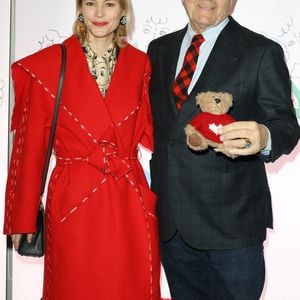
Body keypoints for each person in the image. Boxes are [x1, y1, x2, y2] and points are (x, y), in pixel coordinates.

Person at [4, 0, 160, 299]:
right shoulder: (47, 65)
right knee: (74, 286)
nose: (99, 13)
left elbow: (157, 134)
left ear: (123, 11)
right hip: (73, 197)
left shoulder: (142, 64)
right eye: (91, 3)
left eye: (109, 4)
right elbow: (30, 148)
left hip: (129, 197)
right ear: (79, 8)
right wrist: (21, 216)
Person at [147, 0, 300, 299]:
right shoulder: (158, 49)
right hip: (172, 225)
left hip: (233, 225)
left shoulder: (260, 51)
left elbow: (286, 125)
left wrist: (264, 135)